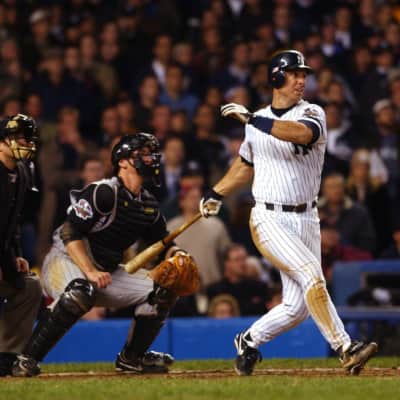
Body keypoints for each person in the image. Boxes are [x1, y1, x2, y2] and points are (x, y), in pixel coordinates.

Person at [199, 50, 378, 376]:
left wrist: (252, 119)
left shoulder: (311, 112)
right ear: (276, 77)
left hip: (307, 217)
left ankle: (248, 340)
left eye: (303, 74)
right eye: (294, 73)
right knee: (312, 275)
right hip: (268, 217)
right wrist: (216, 193)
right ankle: (346, 348)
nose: (301, 80)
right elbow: (245, 165)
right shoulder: (256, 121)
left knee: (297, 308)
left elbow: (302, 133)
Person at [12, 132, 198, 377]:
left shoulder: (149, 205)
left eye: (151, 153)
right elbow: (70, 232)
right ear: (122, 161)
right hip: (65, 259)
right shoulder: (104, 192)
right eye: (142, 153)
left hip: (105, 271)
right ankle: (27, 359)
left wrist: (179, 253)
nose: (150, 158)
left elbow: (162, 243)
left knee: (162, 291)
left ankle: (132, 358)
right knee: (79, 293)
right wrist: (89, 271)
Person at [0, 114, 42, 376]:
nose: (25, 142)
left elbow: (13, 220)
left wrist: (15, 254)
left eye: (27, 137)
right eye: (17, 137)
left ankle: (6, 355)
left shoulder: (23, 172)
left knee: (29, 287)